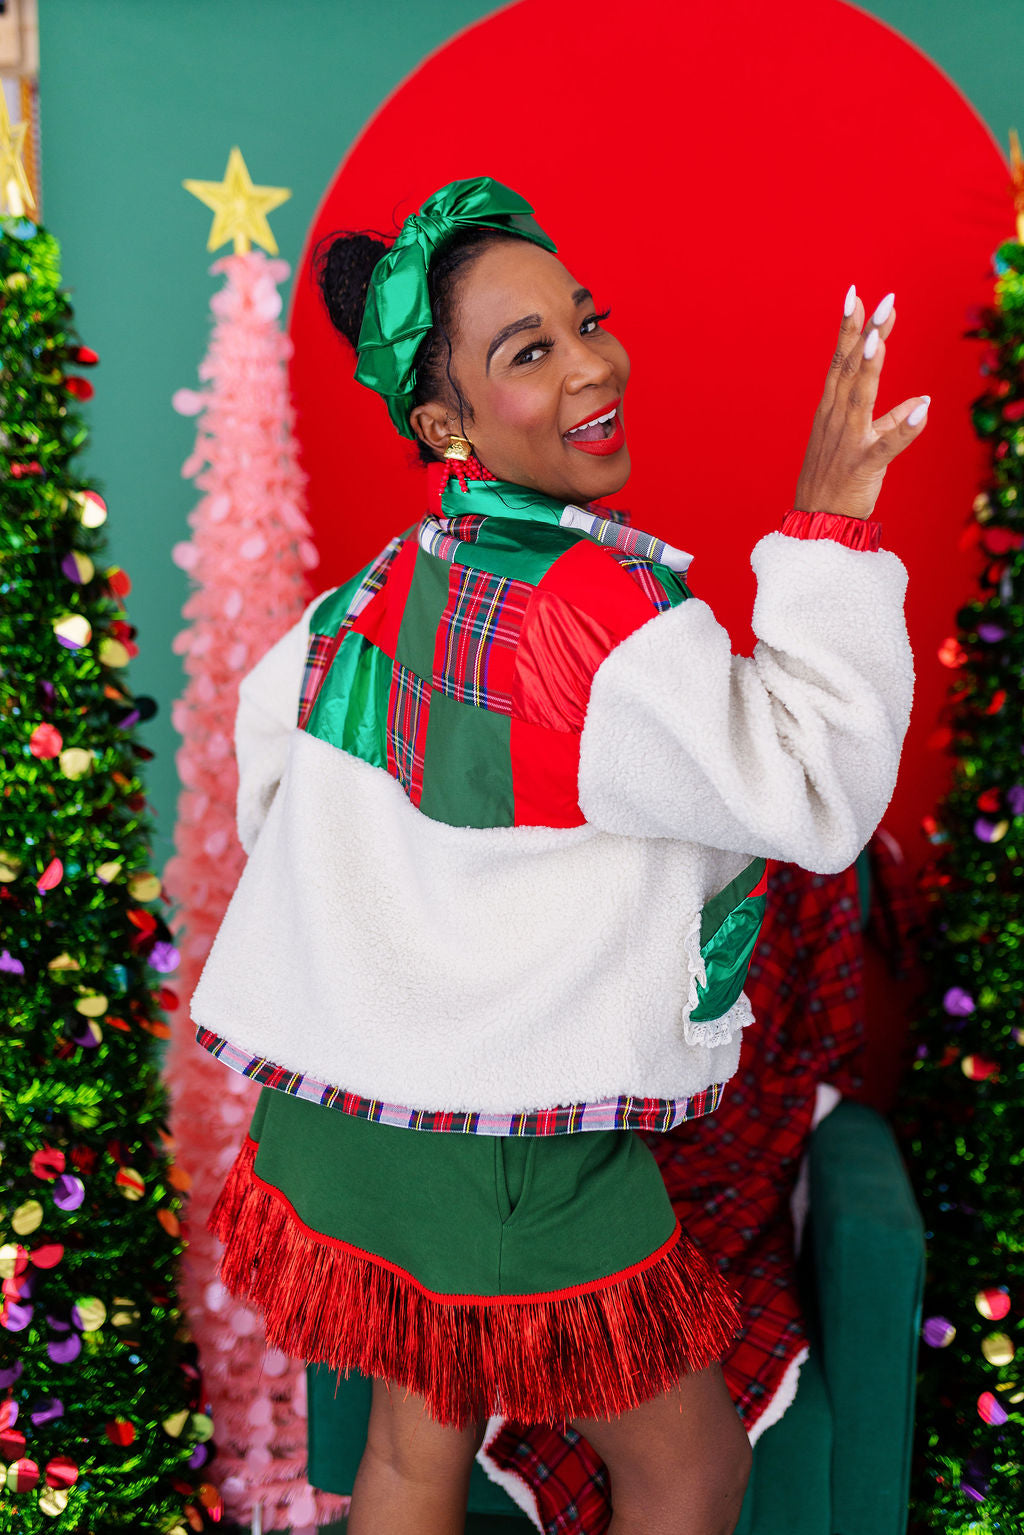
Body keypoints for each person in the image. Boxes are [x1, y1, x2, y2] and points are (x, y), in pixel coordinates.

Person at [190, 175, 920, 1535]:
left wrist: (426, 948)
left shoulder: (371, 597)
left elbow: (270, 800)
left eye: (585, 319)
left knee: (415, 1452)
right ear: (442, 421)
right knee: (693, 1469)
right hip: (510, 1154)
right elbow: (816, 791)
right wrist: (828, 527)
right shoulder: (608, 622)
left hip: (353, 1124)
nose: (592, 364)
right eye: (529, 352)